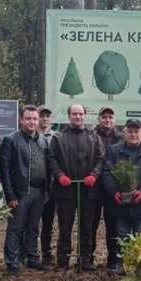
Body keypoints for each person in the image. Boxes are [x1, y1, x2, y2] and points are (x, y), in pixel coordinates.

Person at [49, 104, 105, 271]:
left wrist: (94, 175)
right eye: (74, 114)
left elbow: (101, 158)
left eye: (80, 114)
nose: (78, 117)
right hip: (66, 189)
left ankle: (85, 259)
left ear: (85, 115)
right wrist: (59, 175)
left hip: (88, 190)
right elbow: (51, 158)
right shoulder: (58, 137)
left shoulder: (94, 137)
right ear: (69, 116)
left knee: (87, 226)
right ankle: (63, 260)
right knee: (65, 226)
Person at [0, 105, 50, 275]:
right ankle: (12, 262)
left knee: (34, 227)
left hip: (39, 191)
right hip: (20, 192)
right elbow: (5, 170)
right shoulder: (11, 140)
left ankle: (32, 257)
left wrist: (47, 190)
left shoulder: (43, 141)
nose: (32, 122)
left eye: (35, 119)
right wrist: (10, 194)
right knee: (16, 228)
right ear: (21, 119)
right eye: (28, 118)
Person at [102, 119, 141, 249]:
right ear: (124, 133)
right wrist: (114, 192)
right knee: (121, 234)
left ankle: (139, 266)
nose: (133, 134)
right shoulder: (113, 151)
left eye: (136, 131)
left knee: (140, 235)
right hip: (120, 204)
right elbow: (106, 172)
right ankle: (120, 264)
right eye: (130, 131)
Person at [91, 106, 123, 272]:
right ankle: (88, 258)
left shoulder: (121, 138)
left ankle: (113, 260)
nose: (107, 120)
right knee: (91, 225)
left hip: (113, 189)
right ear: (99, 119)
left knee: (113, 226)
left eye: (110, 117)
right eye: (104, 117)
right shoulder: (91, 135)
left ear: (114, 119)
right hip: (94, 188)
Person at [37, 106, 61, 265]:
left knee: (48, 221)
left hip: (52, 186)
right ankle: (28, 252)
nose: (45, 119)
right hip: (35, 185)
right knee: (30, 222)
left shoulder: (57, 137)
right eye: (42, 116)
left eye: (47, 116)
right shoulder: (30, 135)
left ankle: (46, 253)